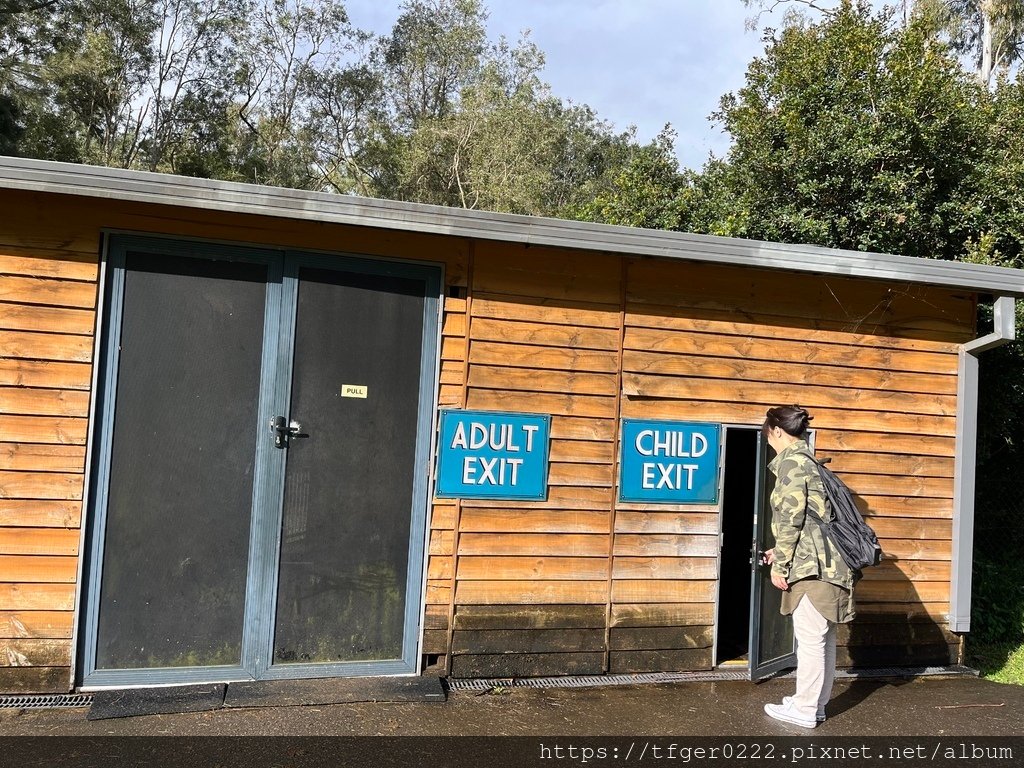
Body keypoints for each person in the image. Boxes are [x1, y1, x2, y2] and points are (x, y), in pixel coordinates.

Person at [761, 405, 855, 729]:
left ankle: (804, 708)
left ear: (776, 430)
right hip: (828, 565)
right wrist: (781, 550)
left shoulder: (793, 463)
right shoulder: (811, 461)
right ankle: (815, 705)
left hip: (812, 570)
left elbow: (790, 519)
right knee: (823, 637)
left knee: (812, 637)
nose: (767, 438)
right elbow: (809, 521)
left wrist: (780, 566)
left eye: (767, 431)